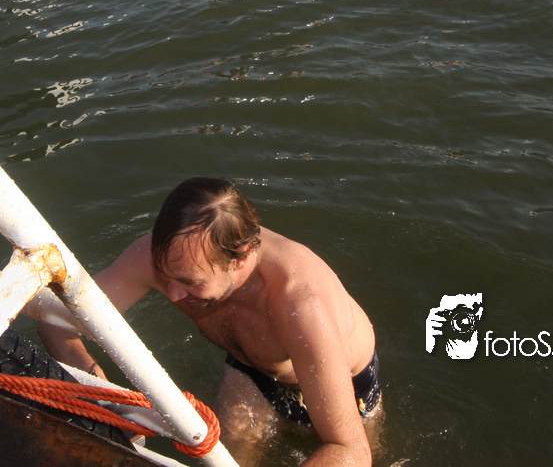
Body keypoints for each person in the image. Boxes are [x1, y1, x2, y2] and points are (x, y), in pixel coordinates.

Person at [37, 177, 381, 467]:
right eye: (165, 275)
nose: (172, 294)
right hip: (252, 372)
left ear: (241, 257)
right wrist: (105, 399)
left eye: (190, 282)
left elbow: (350, 450)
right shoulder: (162, 258)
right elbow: (54, 320)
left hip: (347, 385)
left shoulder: (301, 304)